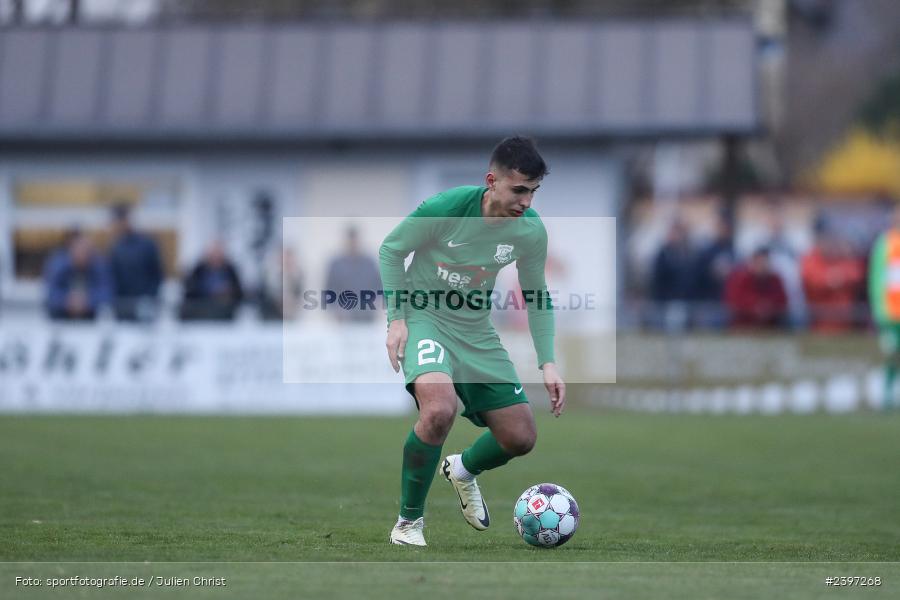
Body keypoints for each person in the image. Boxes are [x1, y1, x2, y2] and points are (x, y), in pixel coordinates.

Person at [379, 136, 565, 546]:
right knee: (439, 410)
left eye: (534, 192)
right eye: (519, 190)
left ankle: (462, 469)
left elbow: (536, 294)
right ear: (491, 182)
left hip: (476, 330)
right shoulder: (446, 208)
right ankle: (408, 523)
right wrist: (397, 320)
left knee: (520, 437)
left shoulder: (530, 231)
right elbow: (391, 250)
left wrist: (548, 362)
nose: (526, 202)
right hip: (425, 316)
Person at [108, 203, 164, 321]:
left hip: (145, 304)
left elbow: (157, 274)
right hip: (123, 305)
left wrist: (150, 297)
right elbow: (114, 277)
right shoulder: (116, 247)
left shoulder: (147, 244)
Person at [867, 207, 900, 410]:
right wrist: (879, 309)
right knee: (891, 354)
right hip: (890, 314)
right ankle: (887, 395)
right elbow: (877, 278)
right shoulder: (885, 243)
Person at [801, 230, 864, 332]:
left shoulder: (842, 255)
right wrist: (831, 279)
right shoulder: (811, 258)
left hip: (846, 322)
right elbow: (813, 282)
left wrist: (837, 277)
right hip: (819, 323)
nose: (829, 245)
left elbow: (855, 274)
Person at [44, 232, 113, 320]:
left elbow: (107, 292)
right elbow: (51, 292)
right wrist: (67, 300)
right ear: (71, 252)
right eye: (78, 252)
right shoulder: (59, 268)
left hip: (91, 317)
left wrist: (87, 301)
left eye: (85, 253)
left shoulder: (99, 268)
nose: (82, 257)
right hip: (62, 317)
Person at [325, 226, 382, 322]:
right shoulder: (336, 264)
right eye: (350, 241)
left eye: (355, 241)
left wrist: (378, 302)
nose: (353, 244)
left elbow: (379, 286)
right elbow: (329, 290)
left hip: (367, 316)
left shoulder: (369, 263)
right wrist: (335, 308)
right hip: (343, 318)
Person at [724, 247, 788, 329]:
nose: (763, 265)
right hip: (743, 325)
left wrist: (769, 308)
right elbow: (733, 302)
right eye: (759, 262)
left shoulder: (775, 280)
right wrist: (755, 307)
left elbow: (782, 302)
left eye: (765, 262)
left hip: (771, 326)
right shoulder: (740, 278)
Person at [180, 240, 244, 321]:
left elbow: (239, 292)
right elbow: (189, 291)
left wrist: (228, 292)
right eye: (213, 254)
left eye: (218, 254)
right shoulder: (199, 270)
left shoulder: (230, 270)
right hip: (202, 308)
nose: (215, 257)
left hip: (224, 311)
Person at [650, 221, 695, 332]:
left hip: (682, 300)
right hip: (666, 301)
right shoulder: (664, 254)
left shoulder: (686, 252)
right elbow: (658, 278)